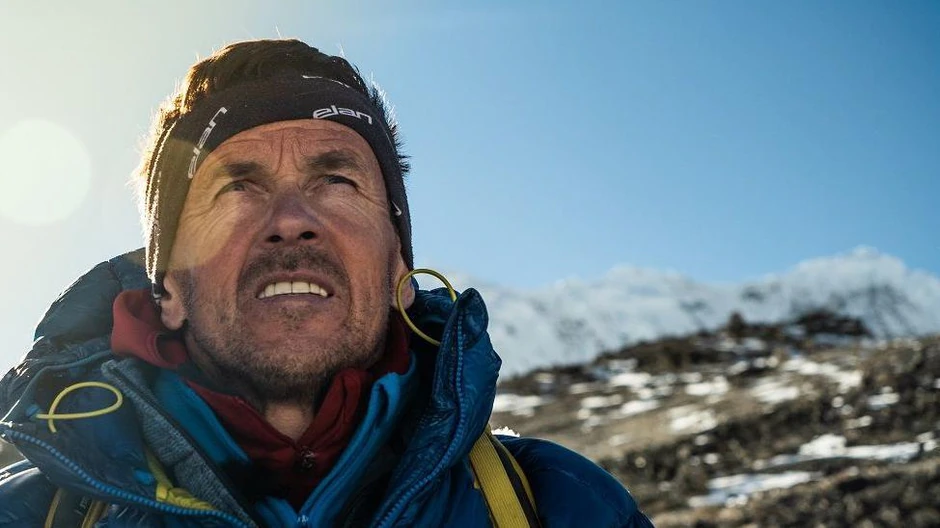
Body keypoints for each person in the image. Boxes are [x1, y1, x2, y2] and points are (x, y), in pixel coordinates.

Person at [0, 39, 653, 527]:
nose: (290, 220)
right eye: (236, 188)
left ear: (400, 268)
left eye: (336, 181)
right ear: (166, 287)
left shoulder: (564, 506)